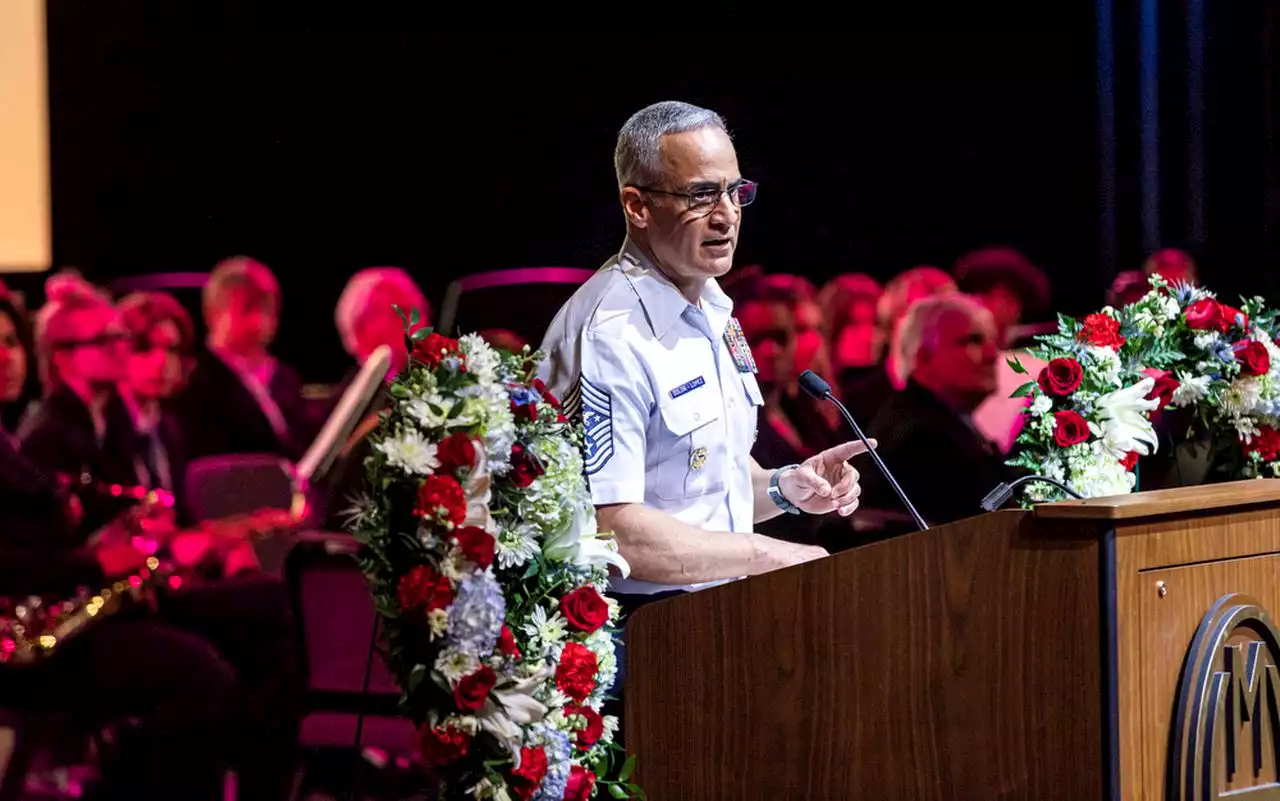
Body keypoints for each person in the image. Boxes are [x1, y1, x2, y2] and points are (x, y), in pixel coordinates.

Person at [539, 100, 871, 610]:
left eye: (735, 192)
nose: (726, 216)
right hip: (639, 630)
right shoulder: (612, 332)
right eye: (700, 195)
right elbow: (612, 529)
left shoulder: (712, 305)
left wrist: (785, 486)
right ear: (638, 206)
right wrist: (767, 555)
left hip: (711, 617)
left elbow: (705, 495)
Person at [859, 294, 1019, 527]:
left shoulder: (941, 419)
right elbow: (981, 525)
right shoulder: (920, 437)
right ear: (923, 357)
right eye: (974, 341)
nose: (992, 355)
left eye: (993, 342)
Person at [181, 256, 310, 459]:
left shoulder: (284, 378)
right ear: (214, 312)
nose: (259, 321)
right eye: (247, 308)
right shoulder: (198, 383)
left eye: (268, 309)